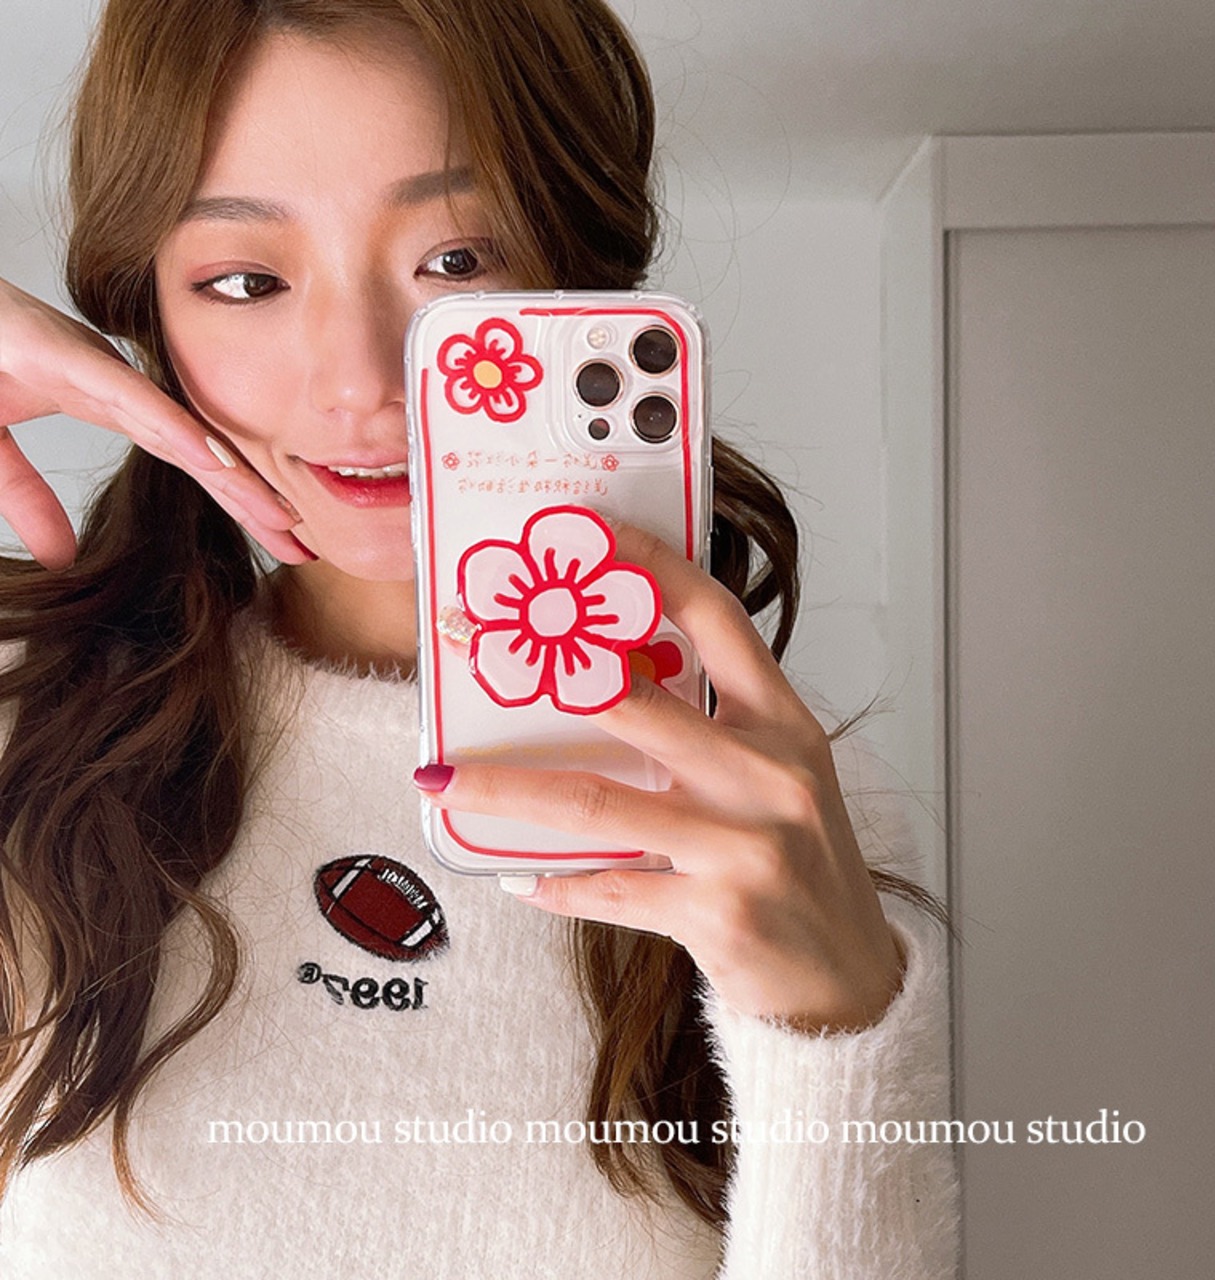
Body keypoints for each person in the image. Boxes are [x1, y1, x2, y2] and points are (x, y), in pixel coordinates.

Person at [0, 1, 959, 1275]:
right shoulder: (27, 740)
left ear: (578, 268)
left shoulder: (784, 813)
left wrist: (830, 1043)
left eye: (456, 260)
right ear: (150, 319)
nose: (360, 380)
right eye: (246, 281)